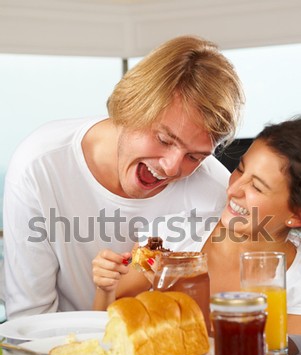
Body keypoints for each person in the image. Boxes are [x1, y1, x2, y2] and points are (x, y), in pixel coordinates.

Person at [3, 35, 244, 319]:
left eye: (195, 156)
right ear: (131, 106)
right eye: (164, 139)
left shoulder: (213, 190)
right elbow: (29, 322)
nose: (171, 167)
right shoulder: (40, 165)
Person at [92, 117, 301, 317]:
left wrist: (178, 294)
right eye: (239, 169)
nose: (234, 189)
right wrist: (106, 288)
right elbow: (106, 325)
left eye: (257, 187)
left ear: (296, 214)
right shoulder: (169, 238)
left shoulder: (296, 280)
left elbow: (265, 348)